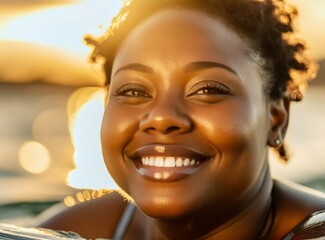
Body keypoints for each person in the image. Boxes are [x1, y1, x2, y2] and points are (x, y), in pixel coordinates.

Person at [38, 0, 325, 239]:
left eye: (208, 90)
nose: (162, 117)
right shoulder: (70, 230)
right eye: (134, 90)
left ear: (276, 118)